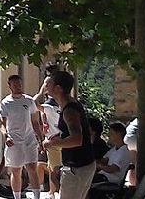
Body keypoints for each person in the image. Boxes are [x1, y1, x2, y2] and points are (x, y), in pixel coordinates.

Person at [42, 70, 100, 199]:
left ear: (58, 88)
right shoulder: (68, 105)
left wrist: (51, 143)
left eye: (49, 83)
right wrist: (59, 137)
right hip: (78, 166)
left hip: (78, 167)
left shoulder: (70, 110)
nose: (45, 85)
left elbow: (76, 139)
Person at [1, 74, 43, 199]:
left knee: (31, 167)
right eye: (15, 85)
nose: (18, 87)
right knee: (16, 170)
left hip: (29, 139)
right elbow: (2, 124)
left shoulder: (29, 101)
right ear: (10, 86)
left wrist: (40, 138)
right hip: (14, 141)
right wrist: (6, 136)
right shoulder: (5, 103)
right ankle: (17, 196)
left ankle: (36, 196)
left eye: (19, 84)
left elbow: (35, 122)